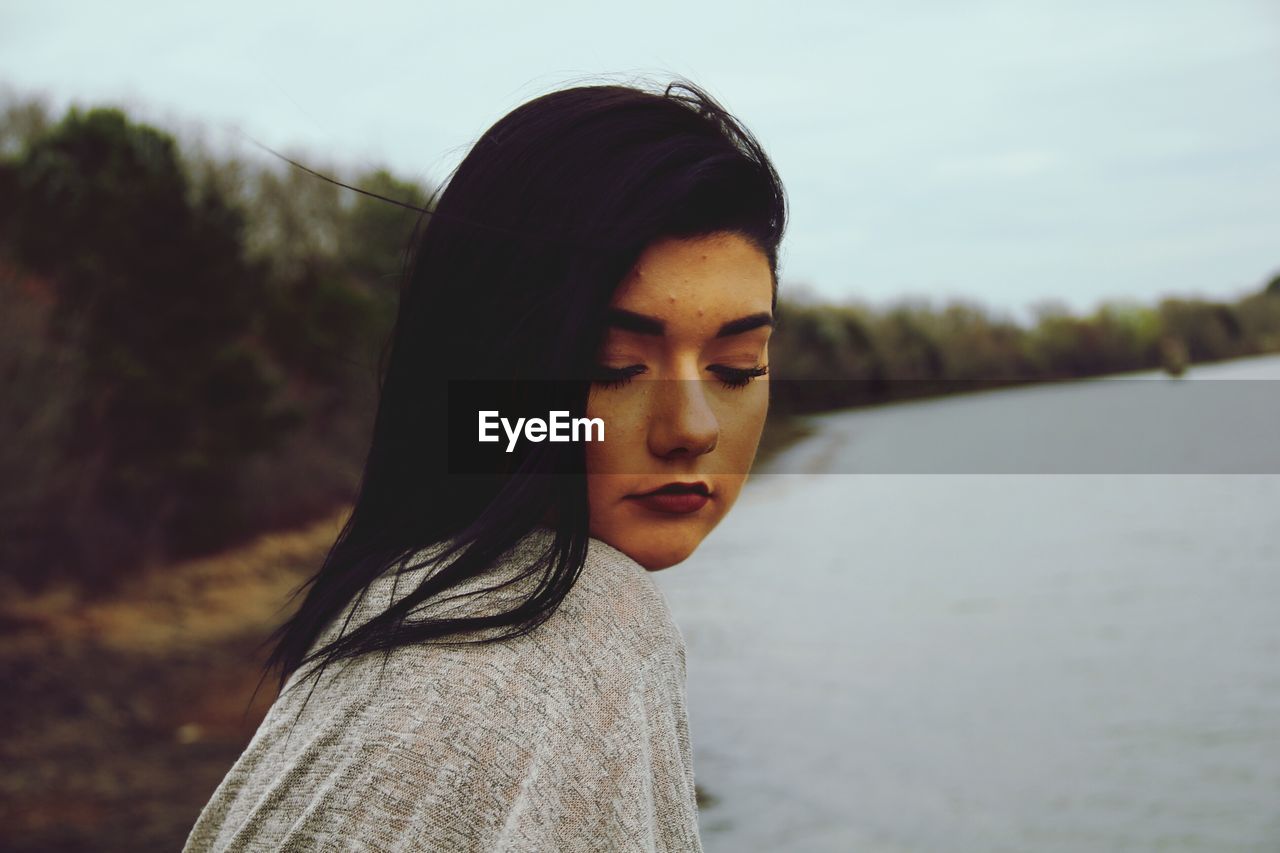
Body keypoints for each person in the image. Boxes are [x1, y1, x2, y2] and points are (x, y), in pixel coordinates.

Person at [183, 77, 787, 852]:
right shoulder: (576, 620)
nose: (692, 429)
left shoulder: (395, 600)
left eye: (737, 367)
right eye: (613, 364)